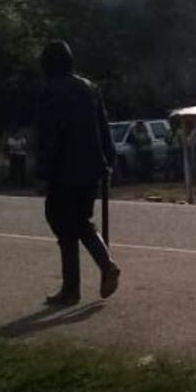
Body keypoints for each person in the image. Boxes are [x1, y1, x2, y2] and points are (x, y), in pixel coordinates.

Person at [35, 40, 120, 306]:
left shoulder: (50, 91)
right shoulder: (90, 88)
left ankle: (101, 268)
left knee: (63, 221)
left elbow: (50, 136)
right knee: (78, 221)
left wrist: (43, 170)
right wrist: (109, 159)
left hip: (64, 171)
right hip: (92, 168)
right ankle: (74, 287)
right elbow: (104, 128)